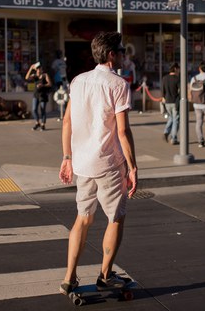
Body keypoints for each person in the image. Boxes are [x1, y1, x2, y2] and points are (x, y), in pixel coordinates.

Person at [58, 31, 138, 295]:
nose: (125, 55)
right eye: (122, 51)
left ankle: (69, 277)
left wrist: (67, 157)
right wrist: (133, 167)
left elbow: (67, 121)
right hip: (108, 164)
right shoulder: (118, 84)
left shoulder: (78, 81)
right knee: (115, 218)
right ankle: (105, 275)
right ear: (112, 54)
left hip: (81, 163)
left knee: (82, 219)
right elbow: (123, 132)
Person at [25, 62, 52, 130]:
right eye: (37, 69)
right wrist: (31, 68)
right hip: (36, 95)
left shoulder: (45, 75)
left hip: (43, 95)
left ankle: (43, 124)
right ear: (36, 70)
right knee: (34, 110)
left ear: (42, 69)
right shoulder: (35, 76)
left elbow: (50, 84)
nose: (39, 70)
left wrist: (42, 85)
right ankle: (37, 123)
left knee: (43, 110)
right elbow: (26, 77)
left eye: (40, 69)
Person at [161, 62, 180, 145]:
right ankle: (173, 138)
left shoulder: (164, 78)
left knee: (171, 118)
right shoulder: (177, 79)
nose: (179, 70)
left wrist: (163, 98)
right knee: (176, 120)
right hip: (175, 102)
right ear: (175, 69)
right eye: (178, 69)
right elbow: (180, 91)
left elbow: (162, 90)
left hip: (167, 102)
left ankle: (166, 131)